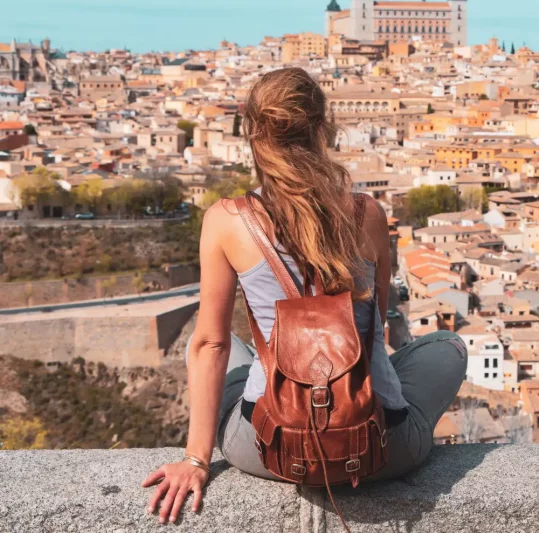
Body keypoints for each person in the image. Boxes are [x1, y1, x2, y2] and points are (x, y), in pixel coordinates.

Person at [142, 68, 467, 525]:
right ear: (321, 129)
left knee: (231, 347)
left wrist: (196, 460)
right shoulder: (367, 213)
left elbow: (210, 345)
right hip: (382, 449)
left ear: (253, 134)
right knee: (448, 348)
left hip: (267, 450)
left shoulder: (226, 220)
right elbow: (376, 321)